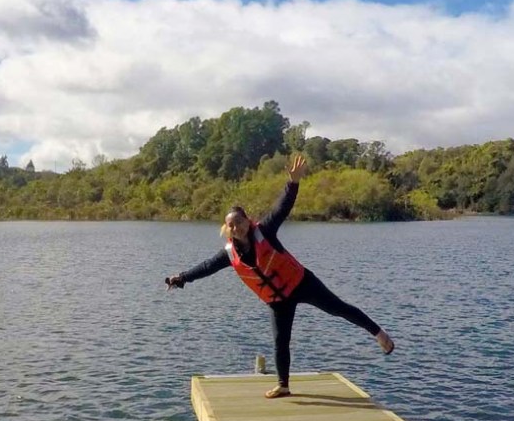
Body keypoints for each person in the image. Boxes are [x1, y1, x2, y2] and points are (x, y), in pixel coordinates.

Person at [164, 155, 394, 399]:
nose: (236, 228)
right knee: (280, 340)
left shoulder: (265, 230)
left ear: (247, 221)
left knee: (338, 308)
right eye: (231, 225)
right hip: (277, 300)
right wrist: (181, 278)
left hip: (302, 283)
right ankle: (283, 385)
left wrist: (293, 182)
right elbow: (206, 267)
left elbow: (282, 207)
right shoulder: (229, 253)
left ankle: (380, 335)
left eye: (239, 222)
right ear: (226, 229)